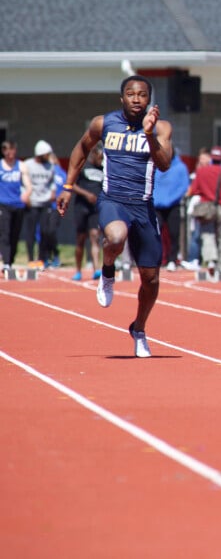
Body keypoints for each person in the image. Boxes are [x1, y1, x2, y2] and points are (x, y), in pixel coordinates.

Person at [56, 75, 173, 358]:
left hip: (143, 205)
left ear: (149, 99)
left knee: (151, 279)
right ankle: (108, 271)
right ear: (122, 98)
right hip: (113, 200)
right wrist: (68, 186)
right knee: (116, 236)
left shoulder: (161, 128)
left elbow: (165, 164)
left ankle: (139, 328)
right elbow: (82, 148)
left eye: (142, 95)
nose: (136, 99)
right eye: (131, 94)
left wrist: (148, 134)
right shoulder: (103, 123)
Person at [188, 145, 221, 273]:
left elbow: (194, 189)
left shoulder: (201, 172)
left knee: (207, 234)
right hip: (220, 206)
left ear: (211, 158)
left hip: (205, 207)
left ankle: (210, 260)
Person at [69, 145, 104, 281]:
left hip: (95, 209)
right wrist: (87, 194)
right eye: (99, 158)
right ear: (94, 155)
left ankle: (96, 269)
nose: (101, 161)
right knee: (81, 239)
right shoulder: (83, 167)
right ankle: (78, 270)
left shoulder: (102, 170)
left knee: (95, 236)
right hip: (81, 207)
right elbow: (73, 184)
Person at [153, 147, 190, 270]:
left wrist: (170, 200)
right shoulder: (155, 165)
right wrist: (155, 199)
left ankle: (172, 259)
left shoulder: (180, 168)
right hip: (156, 205)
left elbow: (183, 186)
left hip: (173, 205)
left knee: (174, 234)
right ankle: (156, 259)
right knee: (155, 233)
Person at [0, 140, 27, 269]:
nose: (10, 153)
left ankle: (10, 260)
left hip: (18, 204)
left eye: (12, 150)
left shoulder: (21, 166)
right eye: (7, 150)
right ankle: (6, 262)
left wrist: (27, 193)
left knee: (15, 234)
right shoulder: (0, 165)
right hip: (3, 204)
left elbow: (28, 184)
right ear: (4, 151)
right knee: (5, 232)